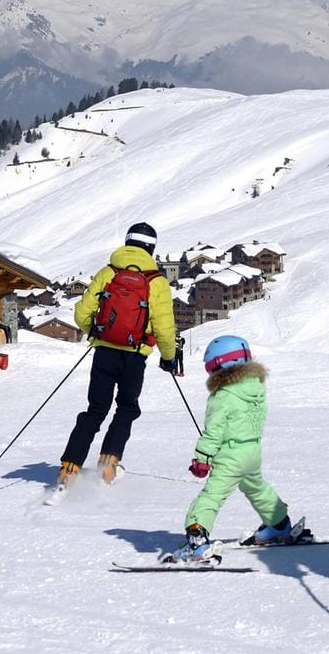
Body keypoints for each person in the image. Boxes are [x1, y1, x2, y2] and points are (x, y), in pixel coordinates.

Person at [53, 222, 179, 497]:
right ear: (151, 248)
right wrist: (168, 358)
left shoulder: (108, 272)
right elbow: (165, 326)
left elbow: (81, 312)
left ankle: (69, 468)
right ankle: (108, 464)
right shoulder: (156, 281)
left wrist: (96, 332)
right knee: (126, 407)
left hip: (104, 352)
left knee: (95, 410)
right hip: (135, 356)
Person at [164, 335, 305, 562]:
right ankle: (279, 525)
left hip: (230, 455)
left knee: (212, 495)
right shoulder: (256, 389)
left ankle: (197, 539)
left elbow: (214, 431)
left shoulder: (222, 396)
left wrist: (202, 459)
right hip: (252, 452)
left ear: (220, 366)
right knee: (257, 488)